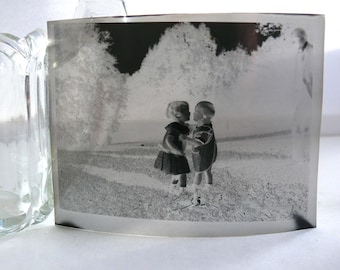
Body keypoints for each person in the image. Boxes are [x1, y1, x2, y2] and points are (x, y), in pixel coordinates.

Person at [182, 101, 217, 205]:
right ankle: (208, 185)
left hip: (203, 155)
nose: (193, 113)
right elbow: (198, 126)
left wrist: (186, 138)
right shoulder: (206, 124)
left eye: (196, 111)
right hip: (208, 153)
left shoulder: (205, 130)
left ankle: (195, 187)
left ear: (203, 116)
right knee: (207, 170)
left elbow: (198, 143)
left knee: (199, 172)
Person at [154, 101, 191, 194]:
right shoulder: (174, 128)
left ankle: (181, 189)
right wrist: (177, 150)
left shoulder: (182, 126)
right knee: (178, 173)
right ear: (178, 115)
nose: (190, 113)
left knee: (182, 172)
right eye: (187, 112)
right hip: (173, 153)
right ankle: (174, 188)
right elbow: (168, 140)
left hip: (178, 153)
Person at [291, 28, 313, 161]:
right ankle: (299, 156)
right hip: (303, 94)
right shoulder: (301, 52)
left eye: (295, 41)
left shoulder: (311, 51)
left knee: (304, 126)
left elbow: (308, 77)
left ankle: (303, 157)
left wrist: (314, 98)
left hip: (309, 94)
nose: (294, 44)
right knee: (300, 125)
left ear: (302, 39)